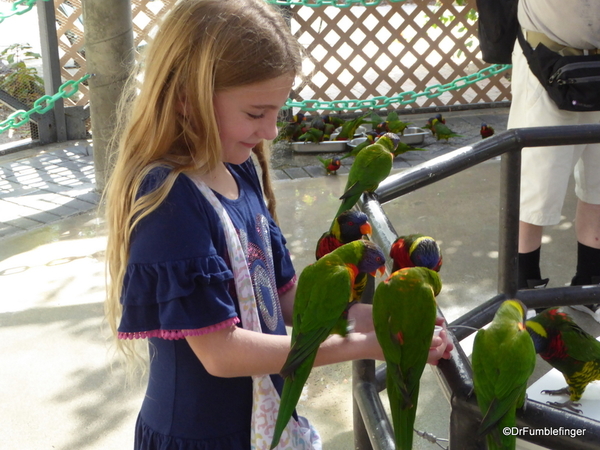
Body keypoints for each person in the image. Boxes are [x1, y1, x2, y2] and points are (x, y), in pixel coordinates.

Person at [103, 1, 454, 449]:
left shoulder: (240, 168)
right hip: (200, 437)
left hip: (261, 422)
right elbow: (221, 352)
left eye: (277, 113)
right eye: (255, 114)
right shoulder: (169, 198)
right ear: (186, 97)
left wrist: (378, 319)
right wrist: (364, 345)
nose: (270, 132)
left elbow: (283, 296)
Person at [507, 0, 600, 318]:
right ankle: (522, 287)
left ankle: (590, 286)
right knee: (537, 181)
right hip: (544, 56)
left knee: (599, 181)